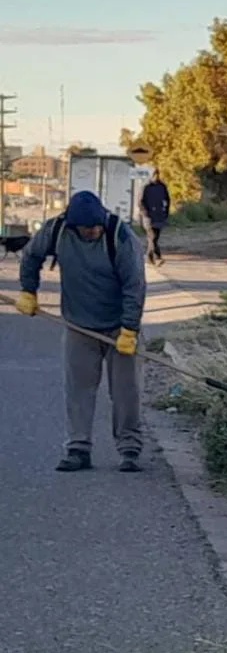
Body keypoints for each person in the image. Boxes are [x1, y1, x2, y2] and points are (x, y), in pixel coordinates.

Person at [15, 190, 147, 473]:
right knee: (79, 390)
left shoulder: (120, 238)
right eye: (87, 228)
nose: (94, 231)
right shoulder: (57, 230)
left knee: (127, 392)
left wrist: (130, 329)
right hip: (79, 325)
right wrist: (28, 291)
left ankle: (130, 450)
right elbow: (31, 255)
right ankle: (78, 448)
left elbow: (135, 285)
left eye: (97, 225)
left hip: (119, 328)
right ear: (74, 226)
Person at [140, 169, 170, 266]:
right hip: (149, 217)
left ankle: (149, 258)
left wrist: (165, 213)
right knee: (152, 237)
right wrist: (145, 213)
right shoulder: (146, 187)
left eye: (158, 175)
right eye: (154, 175)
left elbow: (167, 200)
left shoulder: (162, 187)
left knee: (154, 239)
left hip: (159, 217)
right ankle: (157, 257)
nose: (156, 177)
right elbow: (140, 202)